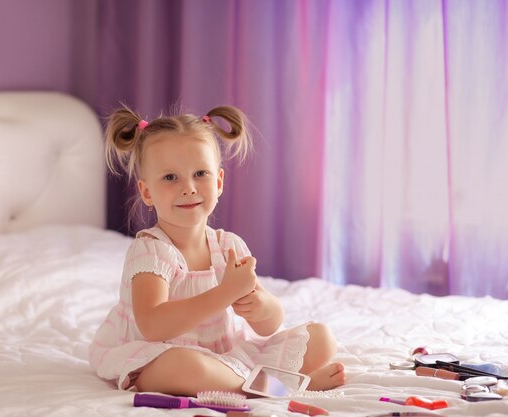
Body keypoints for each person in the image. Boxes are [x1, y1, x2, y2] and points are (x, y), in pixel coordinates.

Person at [89, 104, 345, 396]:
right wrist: (225, 293)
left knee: (322, 338)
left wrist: (260, 307)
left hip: (226, 356)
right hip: (160, 356)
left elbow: (268, 325)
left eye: (200, 174)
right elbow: (153, 326)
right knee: (184, 367)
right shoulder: (150, 251)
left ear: (219, 181)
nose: (188, 187)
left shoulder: (229, 247)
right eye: (170, 178)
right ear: (147, 192)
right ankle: (279, 388)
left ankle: (252, 382)